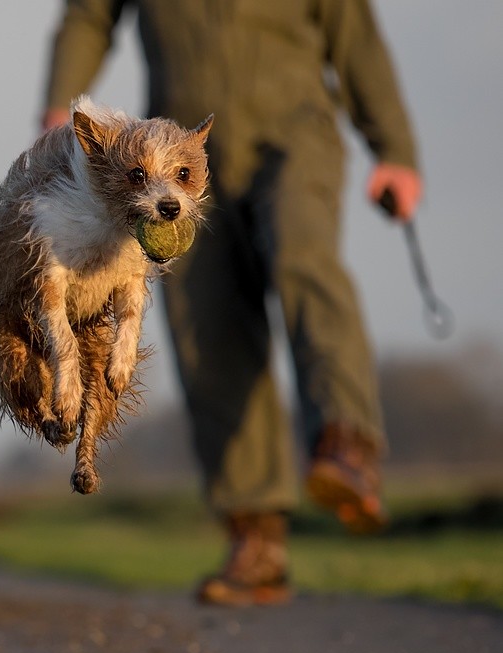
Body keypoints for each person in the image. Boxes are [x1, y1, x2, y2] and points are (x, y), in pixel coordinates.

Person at [41, 0, 422, 606]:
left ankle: (347, 444)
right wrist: (62, 102)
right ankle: (255, 537)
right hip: (176, 159)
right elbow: (89, 16)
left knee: (305, 262)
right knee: (206, 321)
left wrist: (395, 149)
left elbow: (356, 35)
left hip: (292, 137)